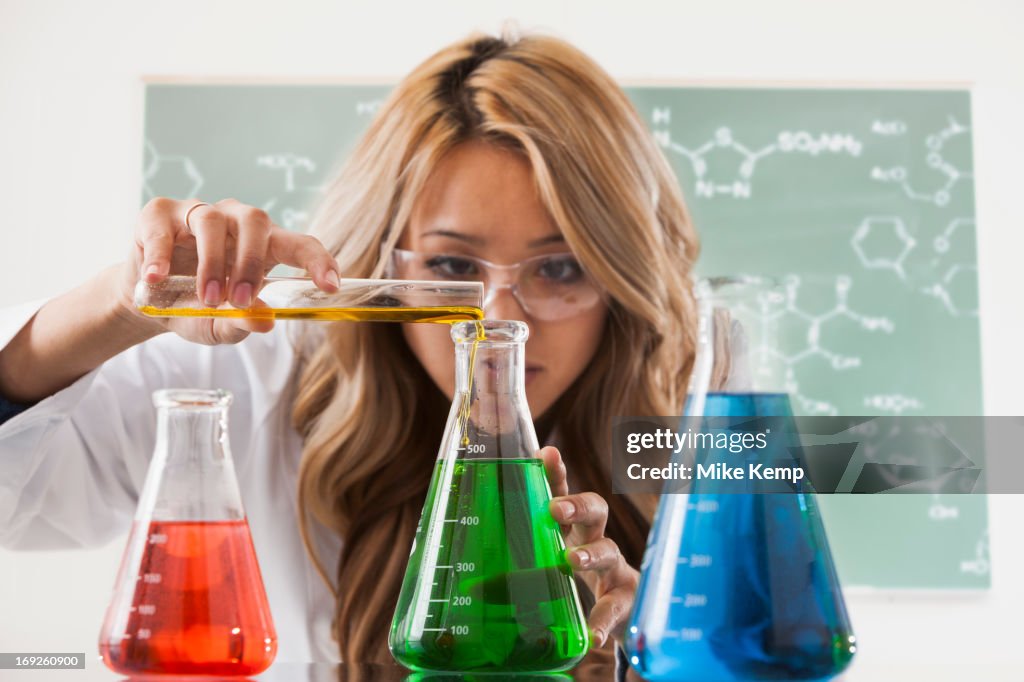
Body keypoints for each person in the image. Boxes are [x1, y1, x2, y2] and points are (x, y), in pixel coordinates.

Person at [0, 30, 698, 669]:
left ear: (622, 278)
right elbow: (15, 502)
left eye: (561, 269)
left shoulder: (718, 421)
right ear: (383, 261)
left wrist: (666, 657)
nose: (495, 320)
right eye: (454, 268)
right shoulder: (248, 374)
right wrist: (122, 304)